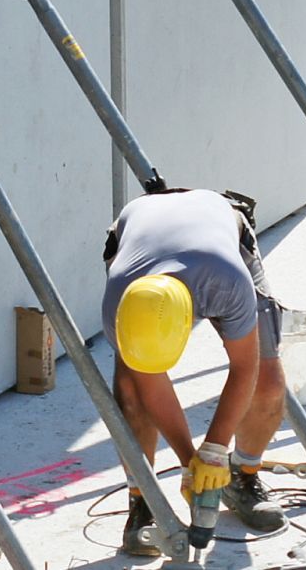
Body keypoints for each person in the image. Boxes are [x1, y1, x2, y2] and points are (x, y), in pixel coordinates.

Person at [103, 188, 292, 555]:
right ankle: (143, 502)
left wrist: (215, 451)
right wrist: (190, 461)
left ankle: (243, 476)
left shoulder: (227, 285)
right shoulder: (119, 303)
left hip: (223, 236)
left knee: (267, 382)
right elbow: (150, 386)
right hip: (139, 238)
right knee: (131, 393)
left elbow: (244, 367)